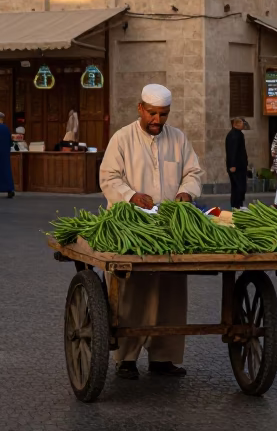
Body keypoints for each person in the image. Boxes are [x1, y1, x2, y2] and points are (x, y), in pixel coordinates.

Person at [100, 83, 202, 380]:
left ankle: (163, 358)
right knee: (132, 292)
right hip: (132, 229)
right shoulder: (122, 139)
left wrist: (186, 192)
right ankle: (126, 358)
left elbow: (192, 172)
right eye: (153, 114)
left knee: (170, 293)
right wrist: (131, 195)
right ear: (140, 109)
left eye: (164, 115)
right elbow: (108, 177)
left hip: (170, 230)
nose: (158, 120)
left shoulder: (179, 139)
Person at [225, 117, 248, 210]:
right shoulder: (235, 135)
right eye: (242, 123)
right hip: (237, 166)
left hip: (239, 165)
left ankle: (237, 205)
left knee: (237, 186)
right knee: (239, 186)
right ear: (236, 124)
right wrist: (232, 165)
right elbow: (232, 151)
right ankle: (238, 205)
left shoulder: (237, 134)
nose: (243, 125)